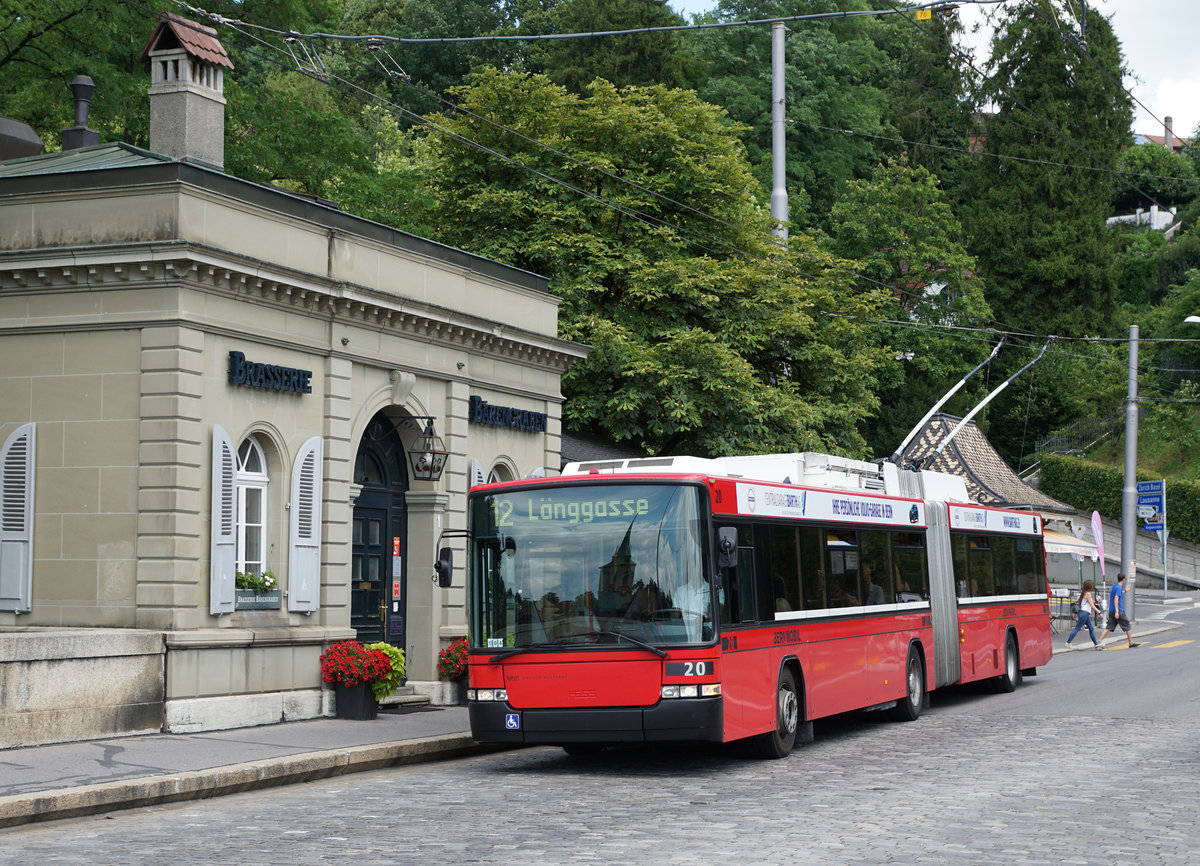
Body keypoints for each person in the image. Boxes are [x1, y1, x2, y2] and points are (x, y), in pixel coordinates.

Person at [1096, 573, 1141, 649]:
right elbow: (1116, 598)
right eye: (1125, 579)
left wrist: (1125, 591)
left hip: (1112, 610)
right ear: (1123, 579)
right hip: (1118, 611)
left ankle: (1098, 641)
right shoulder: (1119, 588)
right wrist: (1117, 611)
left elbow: (1118, 594)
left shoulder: (1115, 586)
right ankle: (1131, 643)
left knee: (1109, 627)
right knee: (1127, 625)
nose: (1125, 580)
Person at [1065, 579, 1101, 650]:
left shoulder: (1083, 593)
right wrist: (1099, 612)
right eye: (1092, 585)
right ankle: (1068, 643)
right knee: (1077, 628)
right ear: (1090, 586)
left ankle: (1096, 644)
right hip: (1084, 613)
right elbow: (1092, 605)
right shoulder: (1088, 594)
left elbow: (1080, 604)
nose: (1093, 587)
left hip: (1083, 613)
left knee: (1091, 628)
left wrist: (1076, 613)